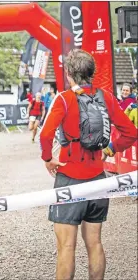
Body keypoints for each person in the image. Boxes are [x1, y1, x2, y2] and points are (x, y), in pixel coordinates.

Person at [39, 49, 136, 280]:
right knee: (95, 243)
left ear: (69, 73)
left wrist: (48, 158)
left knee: (66, 248)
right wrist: (110, 149)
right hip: (98, 180)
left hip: (69, 178)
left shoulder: (63, 98)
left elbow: (45, 135)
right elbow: (131, 133)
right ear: (91, 73)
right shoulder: (106, 97)